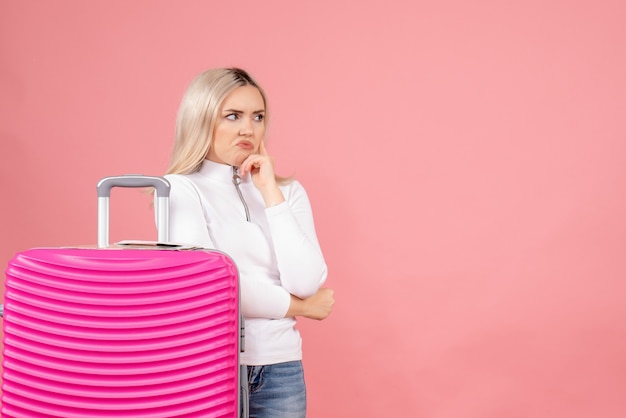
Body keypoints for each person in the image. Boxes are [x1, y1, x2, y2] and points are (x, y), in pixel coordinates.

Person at [163, 67, 335, 417]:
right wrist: (302, 307)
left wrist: (270, 192)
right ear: (202, 119)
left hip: (282, 367)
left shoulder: (287, 192)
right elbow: (207, 289)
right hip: (211, 367)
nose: (248, 129)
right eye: (233, 116)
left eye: (258, 117)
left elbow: (306, 280)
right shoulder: (179, 188)